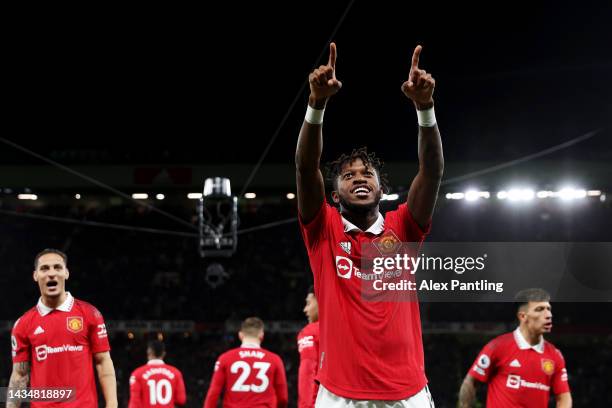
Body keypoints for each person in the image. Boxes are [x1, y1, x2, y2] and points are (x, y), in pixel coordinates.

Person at [296, 42, 443, 407]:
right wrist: (316, 105)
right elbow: (305, 167)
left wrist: (425, 109)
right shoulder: (322, 230)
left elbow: (432, 171)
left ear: (382, 188)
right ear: (334, 195)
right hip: (339, 395)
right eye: (347, 175)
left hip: (407, 394)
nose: (359, 178)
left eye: (367, 174)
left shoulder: (404, 227)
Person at [7, 248, 117, 408]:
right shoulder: (23, 324)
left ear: (66, 273)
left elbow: (103, 362)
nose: (51, 273)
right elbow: (19, 374)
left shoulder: (90, 314)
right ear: (35, 275)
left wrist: (112, 404)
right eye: (44, 268)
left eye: (57, 267)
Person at [458, 288, 572, 407]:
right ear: (523, 316)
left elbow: (563, 397)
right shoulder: (498, 346)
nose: (548, 315)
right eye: (540, 309)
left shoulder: (555, 355)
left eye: (548, 309)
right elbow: (471, 381)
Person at [203, 317, 288, 408]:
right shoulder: (275, 360)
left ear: (240, 335)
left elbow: (213, 394)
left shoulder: (225, 358)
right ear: (261, 335)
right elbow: (283, 398)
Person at [128, 340, 187, 407]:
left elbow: (134, 403)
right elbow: (181, 400)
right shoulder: (176, 373)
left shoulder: (137, 374)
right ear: (164, 353)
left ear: (148, 352)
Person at [297, 286, 319, 408]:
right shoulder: (346, 327)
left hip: (321, 401)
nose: (305, 309)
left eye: (308, 303)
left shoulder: (310, 331)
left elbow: (308, 371)